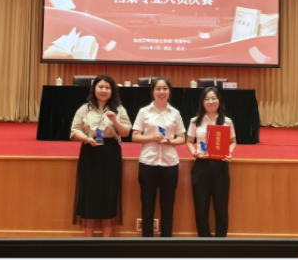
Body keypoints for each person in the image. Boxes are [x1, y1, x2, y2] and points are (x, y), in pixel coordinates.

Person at [70, 74, 132, 237]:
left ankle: (107, 240)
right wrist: (87, 138)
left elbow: (126, 132)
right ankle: (88, 239)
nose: (104, 90)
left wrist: (115, 121)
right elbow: (74, 131)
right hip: (90, 152)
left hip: (111, 153)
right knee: (89, 194)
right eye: (100, 87)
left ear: (112, 90)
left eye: (107, 87)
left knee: (109, 194)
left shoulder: (119, 109)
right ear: (94, 89)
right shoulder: (84, 109)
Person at [132, 77, 186, 237]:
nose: (162, 92)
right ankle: (147, 241)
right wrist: (151, 138)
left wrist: (171, 141)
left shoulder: (175, 113)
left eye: (165, 89)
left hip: (170, 164)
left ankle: (166, 241)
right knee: (147, 205)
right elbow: (135, 136)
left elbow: (182, 138)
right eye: (158, 89)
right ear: (153, 91)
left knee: (168, 205)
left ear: (169, 91)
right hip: (148, 163)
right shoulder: (144, 112)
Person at [186, 87, 237, 238]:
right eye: (207, 99)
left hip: (220, 166)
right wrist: (194, 153)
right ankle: (205, 242)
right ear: (202, 102)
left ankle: (220, 243)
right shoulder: (195, 121)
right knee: (201, 208)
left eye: (214, 98)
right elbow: (189, 141)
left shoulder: (227, 121)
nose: (210, 102)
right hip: (201, 166)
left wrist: (229, 152)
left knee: (221, 208)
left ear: (219, 101)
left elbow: (233, 141)